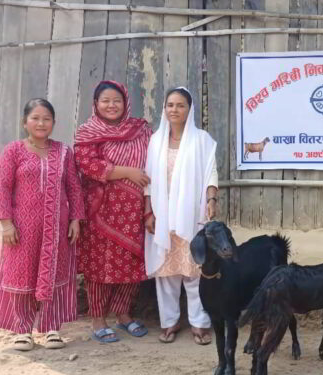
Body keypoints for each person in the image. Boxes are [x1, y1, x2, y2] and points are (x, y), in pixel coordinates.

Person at [0, 99, 85, 351]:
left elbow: (74, 188)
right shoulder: (13, 151)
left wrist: (76, 218)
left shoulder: (64, 152)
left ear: (54, 123)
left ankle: (52, 328)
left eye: (47, 119)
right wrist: (6, 224)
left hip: (57, 228)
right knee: (22, 275)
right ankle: (23, 330)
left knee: (55, 273)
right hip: (22, 229)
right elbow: (3, 189)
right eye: (35, 118)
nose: (41, 123)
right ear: (25, 122)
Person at [74, 81, 152, 343]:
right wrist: (127, 172)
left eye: (116, 100)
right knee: (100, 266)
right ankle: (98, 318)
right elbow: (87, 164)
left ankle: (123, 314)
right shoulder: (87, 132)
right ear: (95, 104)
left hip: (134, 210)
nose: (111, 105)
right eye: (105, 100)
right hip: (101, 211)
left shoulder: (141, 129)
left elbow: (154, 160)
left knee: (132, 263)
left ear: (126, 102)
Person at [144, 88, 218, 345]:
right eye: (170, 105)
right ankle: (170, 322)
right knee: (166, 273)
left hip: (191, 213)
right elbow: (148, 180)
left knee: (194, 271)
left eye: (180, 105)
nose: (174, 110)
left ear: (190, 109)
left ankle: (199, 323)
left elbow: (211, 173)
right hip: (162, 215)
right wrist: (148, 211)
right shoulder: (155, 141)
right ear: (164, 109)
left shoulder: (202, 140)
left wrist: (211, 200)